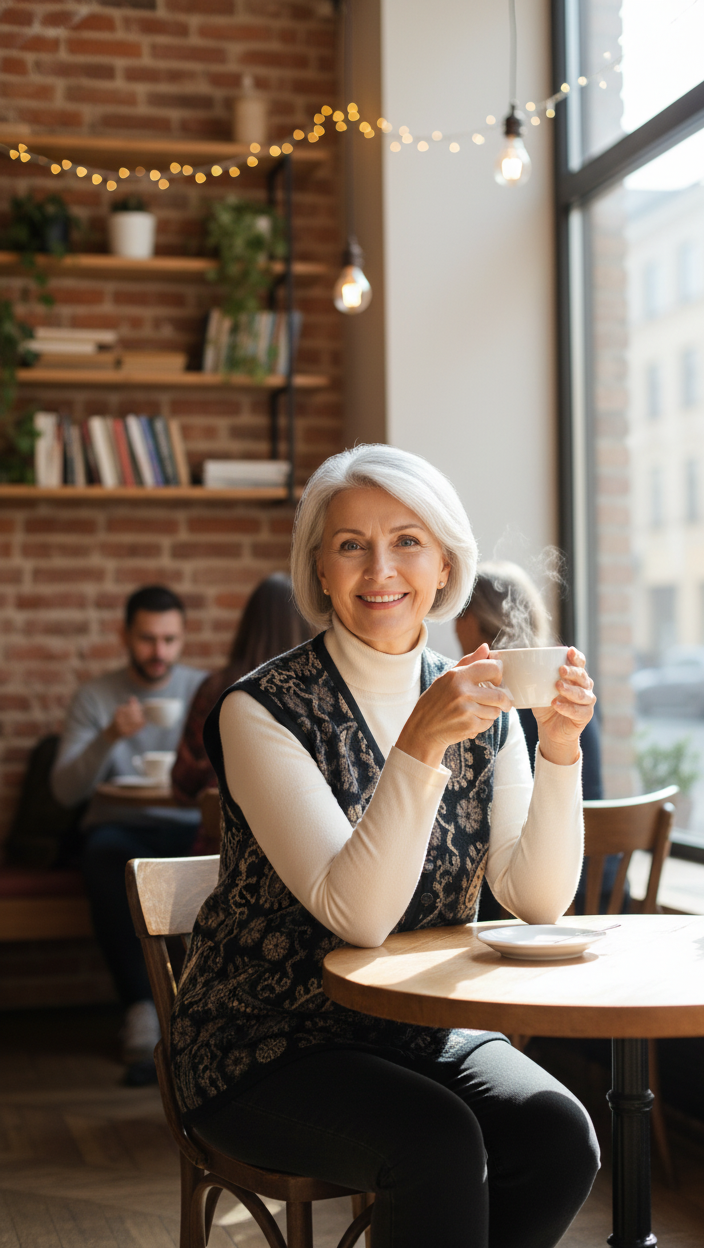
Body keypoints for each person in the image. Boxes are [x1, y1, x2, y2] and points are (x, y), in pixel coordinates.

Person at [170, 445, 600, 1248]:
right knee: (435, 1144)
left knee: (557, 1136)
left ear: (444, 566)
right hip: (264, 1038)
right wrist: (420, 744)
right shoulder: (259, 712)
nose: (380, 568)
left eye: (407, 540)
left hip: (418, 1025)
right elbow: (358, 915)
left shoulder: (488, 701)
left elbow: (537, 900)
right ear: (320, 573)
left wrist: (560, 751)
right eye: (350, 545)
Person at [51, 585, 207, 1083]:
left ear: (183, 639)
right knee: (106, 856)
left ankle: (202, 1013)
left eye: (169, 640)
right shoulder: (96, 697)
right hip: (122, 832)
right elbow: (63, 792)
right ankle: (142, 1007)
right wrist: (109, 737)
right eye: (146, 639)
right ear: (125, 635)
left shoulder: (203, 691)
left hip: (190, 830)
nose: (158, 652)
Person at [456, 561, 620, 917]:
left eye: (459, 613)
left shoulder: (490, 706)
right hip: (604, 884)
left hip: (543, 893)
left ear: (470, 620)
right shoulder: (570, 697)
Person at [171, 573, 312, 804]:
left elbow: (183, 786)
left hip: (221, 834)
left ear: (248, 624)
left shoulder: (216, 689)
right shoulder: (320, 693)